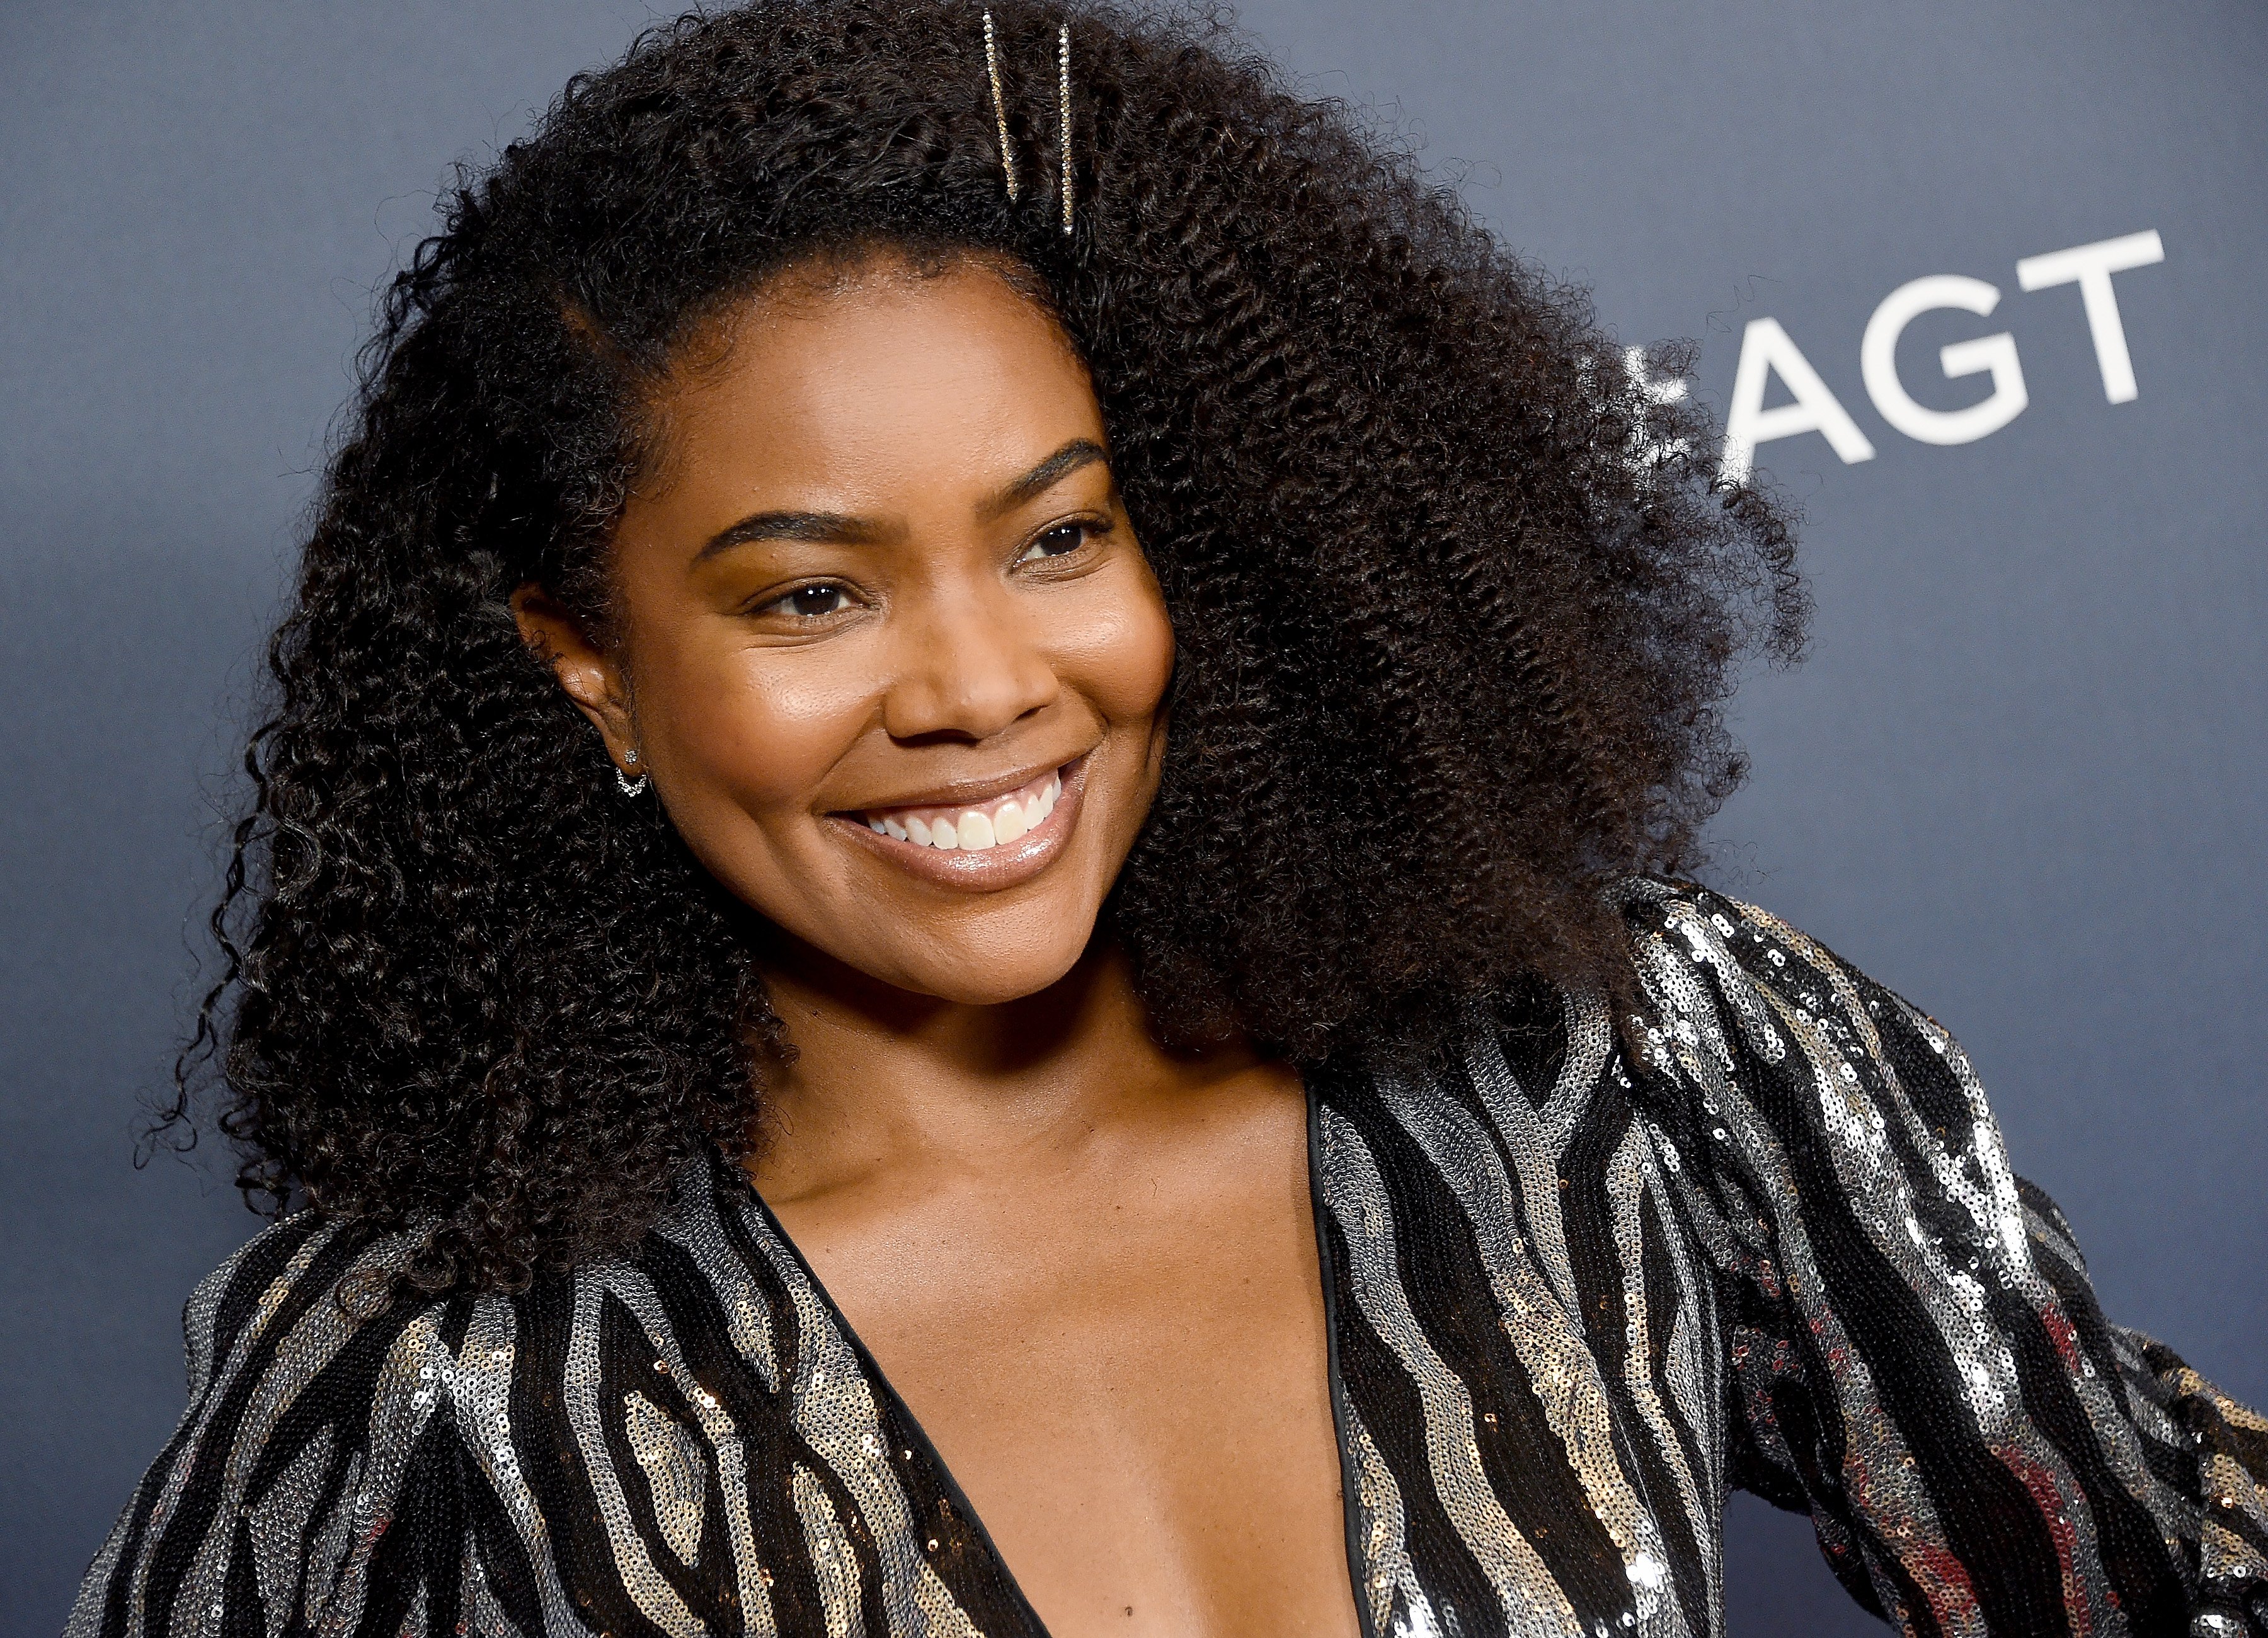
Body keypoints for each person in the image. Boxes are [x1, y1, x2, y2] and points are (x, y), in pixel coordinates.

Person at [66, 4, 2267, 1635]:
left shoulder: (1626, 1059)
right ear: (588, 662)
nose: (982, 690)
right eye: (812, 593)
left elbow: (2159, 1576)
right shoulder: (445, 1377)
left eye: (1056, 541)